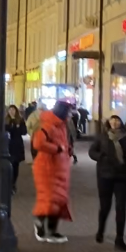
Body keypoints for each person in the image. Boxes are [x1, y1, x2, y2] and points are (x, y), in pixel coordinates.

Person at [89, 114, 126, 251]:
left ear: (121, 122)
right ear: (108, 122)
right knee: (105, 206)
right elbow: (92, 151)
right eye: (113, 119)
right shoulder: (102, 137)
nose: (115, 122)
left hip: (122, 177)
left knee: (121, 207)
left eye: (117, 119)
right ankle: (100, 230)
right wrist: (101, 157)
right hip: (105, 175)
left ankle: (120, 238)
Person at [31, 100, 74, 243]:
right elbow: (38, 143)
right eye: (68, 111)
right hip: (48, 168)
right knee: (49, 200)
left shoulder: (60, 125)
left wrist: (66, 151)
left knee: (58, 200)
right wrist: (57, 149)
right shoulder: (49, 125)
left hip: (58, 168)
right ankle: (42, 226)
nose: (69, 114)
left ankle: (50, 230)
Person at [6, 105, 28, 194]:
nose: (11, 111)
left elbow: (24, 132)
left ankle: (13, 183)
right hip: (8, 146)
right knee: (9, 165)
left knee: (15, 166)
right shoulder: (6, 121)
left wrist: (17, 126)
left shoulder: (20, 120)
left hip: (17, 145)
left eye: (13, 110)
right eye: (10, 110)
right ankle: (9, 184)